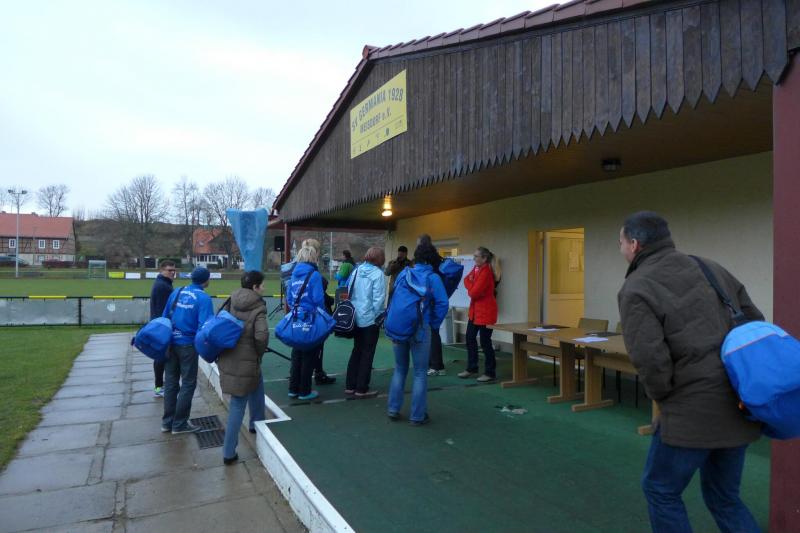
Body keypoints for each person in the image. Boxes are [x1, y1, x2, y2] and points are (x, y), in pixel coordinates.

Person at [617, 211, 763, 533]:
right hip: (739, 401)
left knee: (661, 490)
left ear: (635, 245)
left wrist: (663, 396)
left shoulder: (636, 287)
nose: (621, 248)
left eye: (621, 242)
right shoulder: (710, 268)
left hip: (689, 409)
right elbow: (754, 322)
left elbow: (650, 357)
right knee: (725, 498)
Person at [386, 241, 449, 425]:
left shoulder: (404, 273)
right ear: (431, 259)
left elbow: (393, 295)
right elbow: (443, 304)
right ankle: (417, 416)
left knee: (400, 369)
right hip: (420, 329)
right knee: (420, 372)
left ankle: (393, 409)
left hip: (399, 326)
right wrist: (433, 324)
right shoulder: (433, 278)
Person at [218, 271, 268, 465]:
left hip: (229, 356)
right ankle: (228, 452)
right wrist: (258, 353)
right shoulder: (258, 307)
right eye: (262, 285)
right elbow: (261, 337)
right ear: (255, 287)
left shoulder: (231, 299)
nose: (264, 288)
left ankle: (257, 422)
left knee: (257, 382)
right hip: (246, 360)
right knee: (238, 404)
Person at [161, 266, 214, 434]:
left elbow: (164, 317)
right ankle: (179, 424)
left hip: (171, 342)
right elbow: (205, 327)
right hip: (187, 345)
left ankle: (167, 423)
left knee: (170, 382)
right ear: (206, 280)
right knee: (188, 383)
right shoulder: (204, 298)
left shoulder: (177, 291)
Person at [287, 245, 328, 400]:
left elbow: (289, 299)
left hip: (296, 317)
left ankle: (293, 389)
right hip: (310, 318)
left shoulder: (293, 275)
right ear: (313, 257)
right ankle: (304, 391)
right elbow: (318, 299)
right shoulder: (315, 275)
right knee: (309, 355)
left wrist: (297, 309)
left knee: (296, 354)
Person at [345, 247, 386, 398]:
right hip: (369, 319)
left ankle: (350, 385)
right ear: (380, 258)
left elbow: (349, 290)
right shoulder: (378, 274)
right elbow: (379, 299)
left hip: (355, 317)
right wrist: (377, 316)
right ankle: (361, 388)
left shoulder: (356, 270)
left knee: (357, 350)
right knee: (367, 354)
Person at [458, 247, 499, 382]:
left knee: (485, 342)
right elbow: (466, 279)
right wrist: (472, 285)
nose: (474, 258)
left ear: (484, 258)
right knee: (470, 338)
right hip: (475, 312)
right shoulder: (476, 269)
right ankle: (472, 368)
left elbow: (473, 293)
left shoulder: (486, 272)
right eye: (474, 256)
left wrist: (472, 285)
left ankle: (490, 372)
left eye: (476, 256)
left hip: (486, 312)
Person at [301, 238, 336, 385]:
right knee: (315, 347)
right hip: (313, 315)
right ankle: (314, 377)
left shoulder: (297, 269)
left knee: (301, 349)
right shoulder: (312, 271)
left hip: (300, 314)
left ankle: (298, 382)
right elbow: (318, 296)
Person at [416, 235, 447, 377]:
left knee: (433, 334)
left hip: (430, 305)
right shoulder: (435, 261)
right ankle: (433, 364)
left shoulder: (431, 271)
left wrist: (436, 321)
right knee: (432, 335)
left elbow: (442, 302)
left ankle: (436, 365)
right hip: (431, 304)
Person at [149, 259, 177, 397]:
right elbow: (162, 310)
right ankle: (159, 387)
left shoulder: (163, 283)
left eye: (174, 270)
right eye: (169, 270)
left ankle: (161, 385)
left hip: (160, 324)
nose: (172, 273)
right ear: (161, 270)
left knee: (162, 356)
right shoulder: (163, 286)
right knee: (161, 356)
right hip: (162, 326)